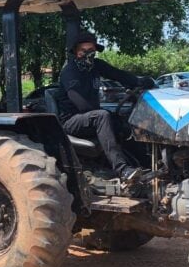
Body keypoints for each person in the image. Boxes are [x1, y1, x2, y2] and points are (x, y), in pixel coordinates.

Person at [57, 32, 154, 181]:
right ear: (76, 52)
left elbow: (118, 75)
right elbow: (82, 105)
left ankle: (147, 165)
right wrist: (106, 116)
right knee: (102, 116)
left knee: (123, 121)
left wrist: (139, 81)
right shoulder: (70, 72)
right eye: (83, 51)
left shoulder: (96, 65)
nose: (87, 54)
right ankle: (122, 170)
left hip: (91, 116)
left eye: (91, 50)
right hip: (71, 121)